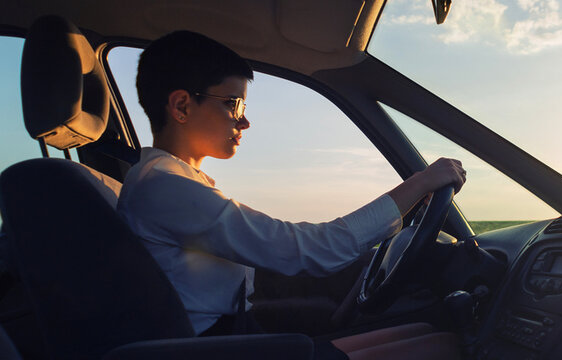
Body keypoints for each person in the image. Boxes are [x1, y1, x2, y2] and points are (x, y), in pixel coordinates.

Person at [117, 31, 466, 359]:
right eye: (233, 104)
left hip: (227, 333)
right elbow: (308, 249)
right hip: (211, 347)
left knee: (423, 330)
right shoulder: (167, 188)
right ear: (181, 106)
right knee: (441, 343)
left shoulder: (171, 180)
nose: (244, 122)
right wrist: (418, 184)